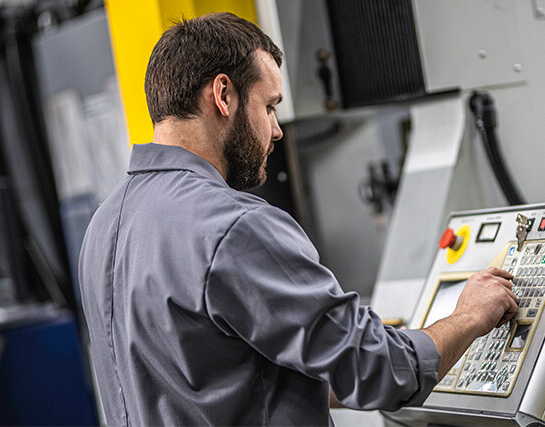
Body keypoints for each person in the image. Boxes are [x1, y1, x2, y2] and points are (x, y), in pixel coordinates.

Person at [78, 12, 518, 426]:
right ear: (224, 95)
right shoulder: (233, 227)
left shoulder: (103, 227)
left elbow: (216, 380)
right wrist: (468, 318)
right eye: (269, 107)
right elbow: (380, 370)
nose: (276, 129)